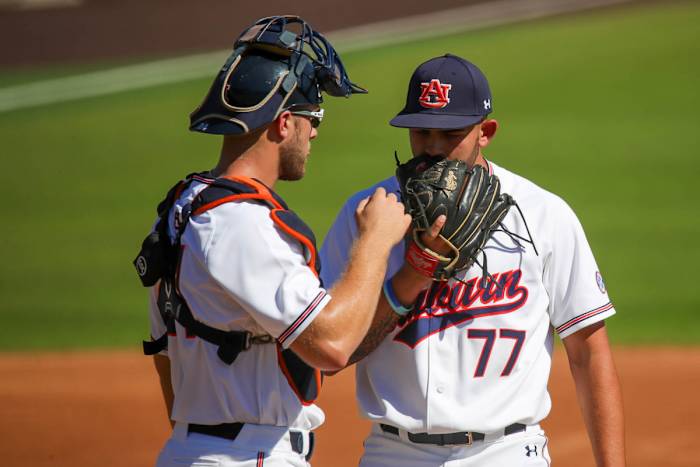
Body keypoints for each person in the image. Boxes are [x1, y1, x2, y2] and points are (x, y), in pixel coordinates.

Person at [319, 54, 626, 466]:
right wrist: (406, 276)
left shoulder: (542, 215)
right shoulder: (367, 214)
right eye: (421, 131)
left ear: (487, 132)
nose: (432, 147)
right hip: (394, 453)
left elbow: (588, 352)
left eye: (450, 133)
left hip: (508, 452)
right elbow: (328, 353)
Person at [134, 16, 411, 467]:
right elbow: (331, 345)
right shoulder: (240, 225)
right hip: (247, 456)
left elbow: (163, 356)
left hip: (198, 448)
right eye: (313, 117)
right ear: (283, 124)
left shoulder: (181, 209)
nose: (315, 131)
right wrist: (374, 242)